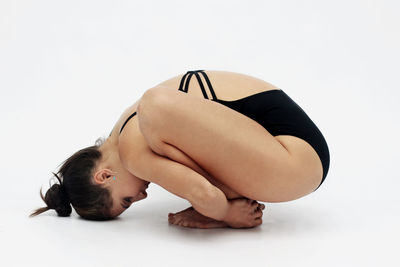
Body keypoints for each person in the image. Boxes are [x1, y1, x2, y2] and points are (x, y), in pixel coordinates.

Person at [29, 70, 330, 229]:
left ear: (105, 176)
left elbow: (207, 194)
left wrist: (224, 213)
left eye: (128, 200)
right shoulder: (127, 124)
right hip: (298, 153)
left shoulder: (134, 145)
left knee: (156, 104)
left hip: (294, 163)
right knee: (156, 108)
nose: (144, 196)